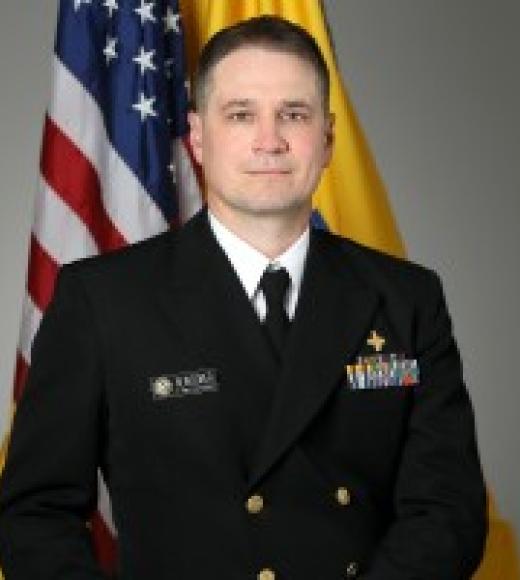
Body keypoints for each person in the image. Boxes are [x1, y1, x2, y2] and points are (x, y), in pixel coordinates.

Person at [0, 15, 487, 580]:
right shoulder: (103, 301)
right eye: (240, 115)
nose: (270, 140)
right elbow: (35, 514)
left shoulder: (406, 298)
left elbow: (447, 509)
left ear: (327, 140)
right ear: (198, 138)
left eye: (294, 115)